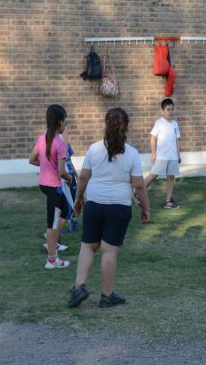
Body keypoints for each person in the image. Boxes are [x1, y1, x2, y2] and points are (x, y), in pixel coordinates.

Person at [67, 108, 150, 308]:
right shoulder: (131, 153)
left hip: (94, 204)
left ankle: (79, 287)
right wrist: (145, 208)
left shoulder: (94, 149)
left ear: (106, 125)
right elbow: (139, 185)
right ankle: (107, 296)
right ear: (126, 128)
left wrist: (79, 198)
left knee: (88, 245)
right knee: (108, 251)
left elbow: (84, 177)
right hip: (119, 207)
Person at [29, 104, 73, 270]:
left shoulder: (42, 138)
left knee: (65, 210)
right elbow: (62, 171)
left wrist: (46, 166)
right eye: (65, 122)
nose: (65, 126)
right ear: (60, 122)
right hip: (54, 187)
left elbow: (32, 159)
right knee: (53, 224)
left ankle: (51, 243)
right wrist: (69, 179)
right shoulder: (60, 144)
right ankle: (52, 259)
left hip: (44, 185)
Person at [144, 98, 182, 209]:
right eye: (168, 109)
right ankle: (138, 192)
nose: (170, 112)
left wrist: (178, 154)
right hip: (162, 156)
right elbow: (152, 138)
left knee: (170, 177)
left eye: (172, 109)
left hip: (173, 156)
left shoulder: (175, 124)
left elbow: (177, 140)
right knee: (153, 174)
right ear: (162, 110)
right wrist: (153, 153)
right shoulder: (159, 123)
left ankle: (168, 201)